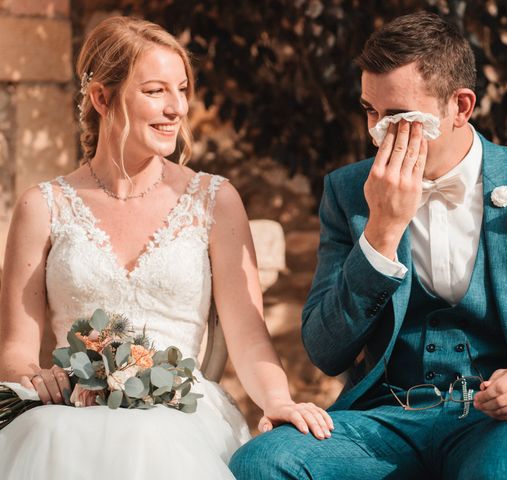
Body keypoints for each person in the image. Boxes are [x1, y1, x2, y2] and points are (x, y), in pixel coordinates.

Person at [229, 11, 507, 480]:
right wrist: (381, 233)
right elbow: (324, 350)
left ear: (460, 107)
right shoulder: (348, 192)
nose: (378, 134)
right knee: (262, 461)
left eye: (398, 116)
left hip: (505, 425)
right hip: (385, 421)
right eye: (370, 111)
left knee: (505, 471)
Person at [0, 16, 332, 479]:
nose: (177, 107)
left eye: (181, 89)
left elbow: (249, 333)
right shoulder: (43, 206)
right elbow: (15, 349)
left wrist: (278, 400)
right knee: (50, 433)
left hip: (181, 414)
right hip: (71, 411)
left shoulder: (214, 199)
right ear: (101, 97)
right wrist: (39, 378)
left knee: (147, 436)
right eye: (156, 91)